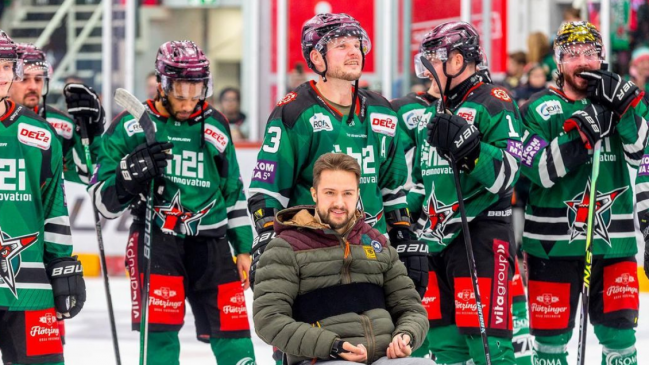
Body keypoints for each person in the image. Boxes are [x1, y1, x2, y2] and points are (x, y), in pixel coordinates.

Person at [89, 40, 256, 365]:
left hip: (212, 245)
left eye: (198, 90)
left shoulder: (216, 124)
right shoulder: (130, 125)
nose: (190, 100)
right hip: (157, 242)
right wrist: (128, 176)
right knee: (160, 340)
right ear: (164, 84)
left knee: (236, 339)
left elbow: (232, 192)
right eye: (182, 90)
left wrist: (245, 248)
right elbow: (101, 203)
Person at [248, 13, 428, 299]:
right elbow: (266, 191)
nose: (354, 51)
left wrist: (403, 234)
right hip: (311, 257)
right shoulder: (295, 113)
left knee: (374, 338)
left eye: (357, 44)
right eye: (341, 46)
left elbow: (392, 188)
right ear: (318, 58)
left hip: (371, 252)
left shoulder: (382, 110)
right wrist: (266, 237)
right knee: (312, 342)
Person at [520, 21, 648, 365]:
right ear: (558, 62)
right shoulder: (533, 109)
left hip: (615, 244)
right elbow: (540, 171)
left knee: (621, 342)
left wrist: (622, 111)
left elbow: (642, 152)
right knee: (549, 348)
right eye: (571, 54)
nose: (582, 62)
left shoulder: (625, 100)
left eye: (590, 53)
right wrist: (582, 133)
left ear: (602, 58)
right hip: (550, 247)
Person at [408, 21, 523, 365]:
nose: (426, 68)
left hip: (481, 238)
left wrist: (471, 150)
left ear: (456, 61)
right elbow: (421, 184)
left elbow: (509, 176)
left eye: (433, 58)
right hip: (434, 244)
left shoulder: (495, 101)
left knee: (490, 351)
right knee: (445, 348)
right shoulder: (435, 110)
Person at [253, 152, 432, 365]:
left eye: (347, 193)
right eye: (330, 193)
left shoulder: (378, 243)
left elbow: (411, 308)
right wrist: (332, 346)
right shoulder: (286, 247)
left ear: (358, 194)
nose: (339, 203)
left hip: (383, 357)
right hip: (320, 358)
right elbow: (269, 320)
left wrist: (406, 335)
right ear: (314, 194)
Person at [0, 31, 85, 365]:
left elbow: (54, 207)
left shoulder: (39, 135)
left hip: (30, 283)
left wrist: (61, 261)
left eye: (7, 67)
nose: (1, 75)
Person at [10, 43, 103, 185]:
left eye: (38, 79)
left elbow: (92, 176)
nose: (33, 86)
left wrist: (92, 134)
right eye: (24, 79)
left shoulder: (62, 125)